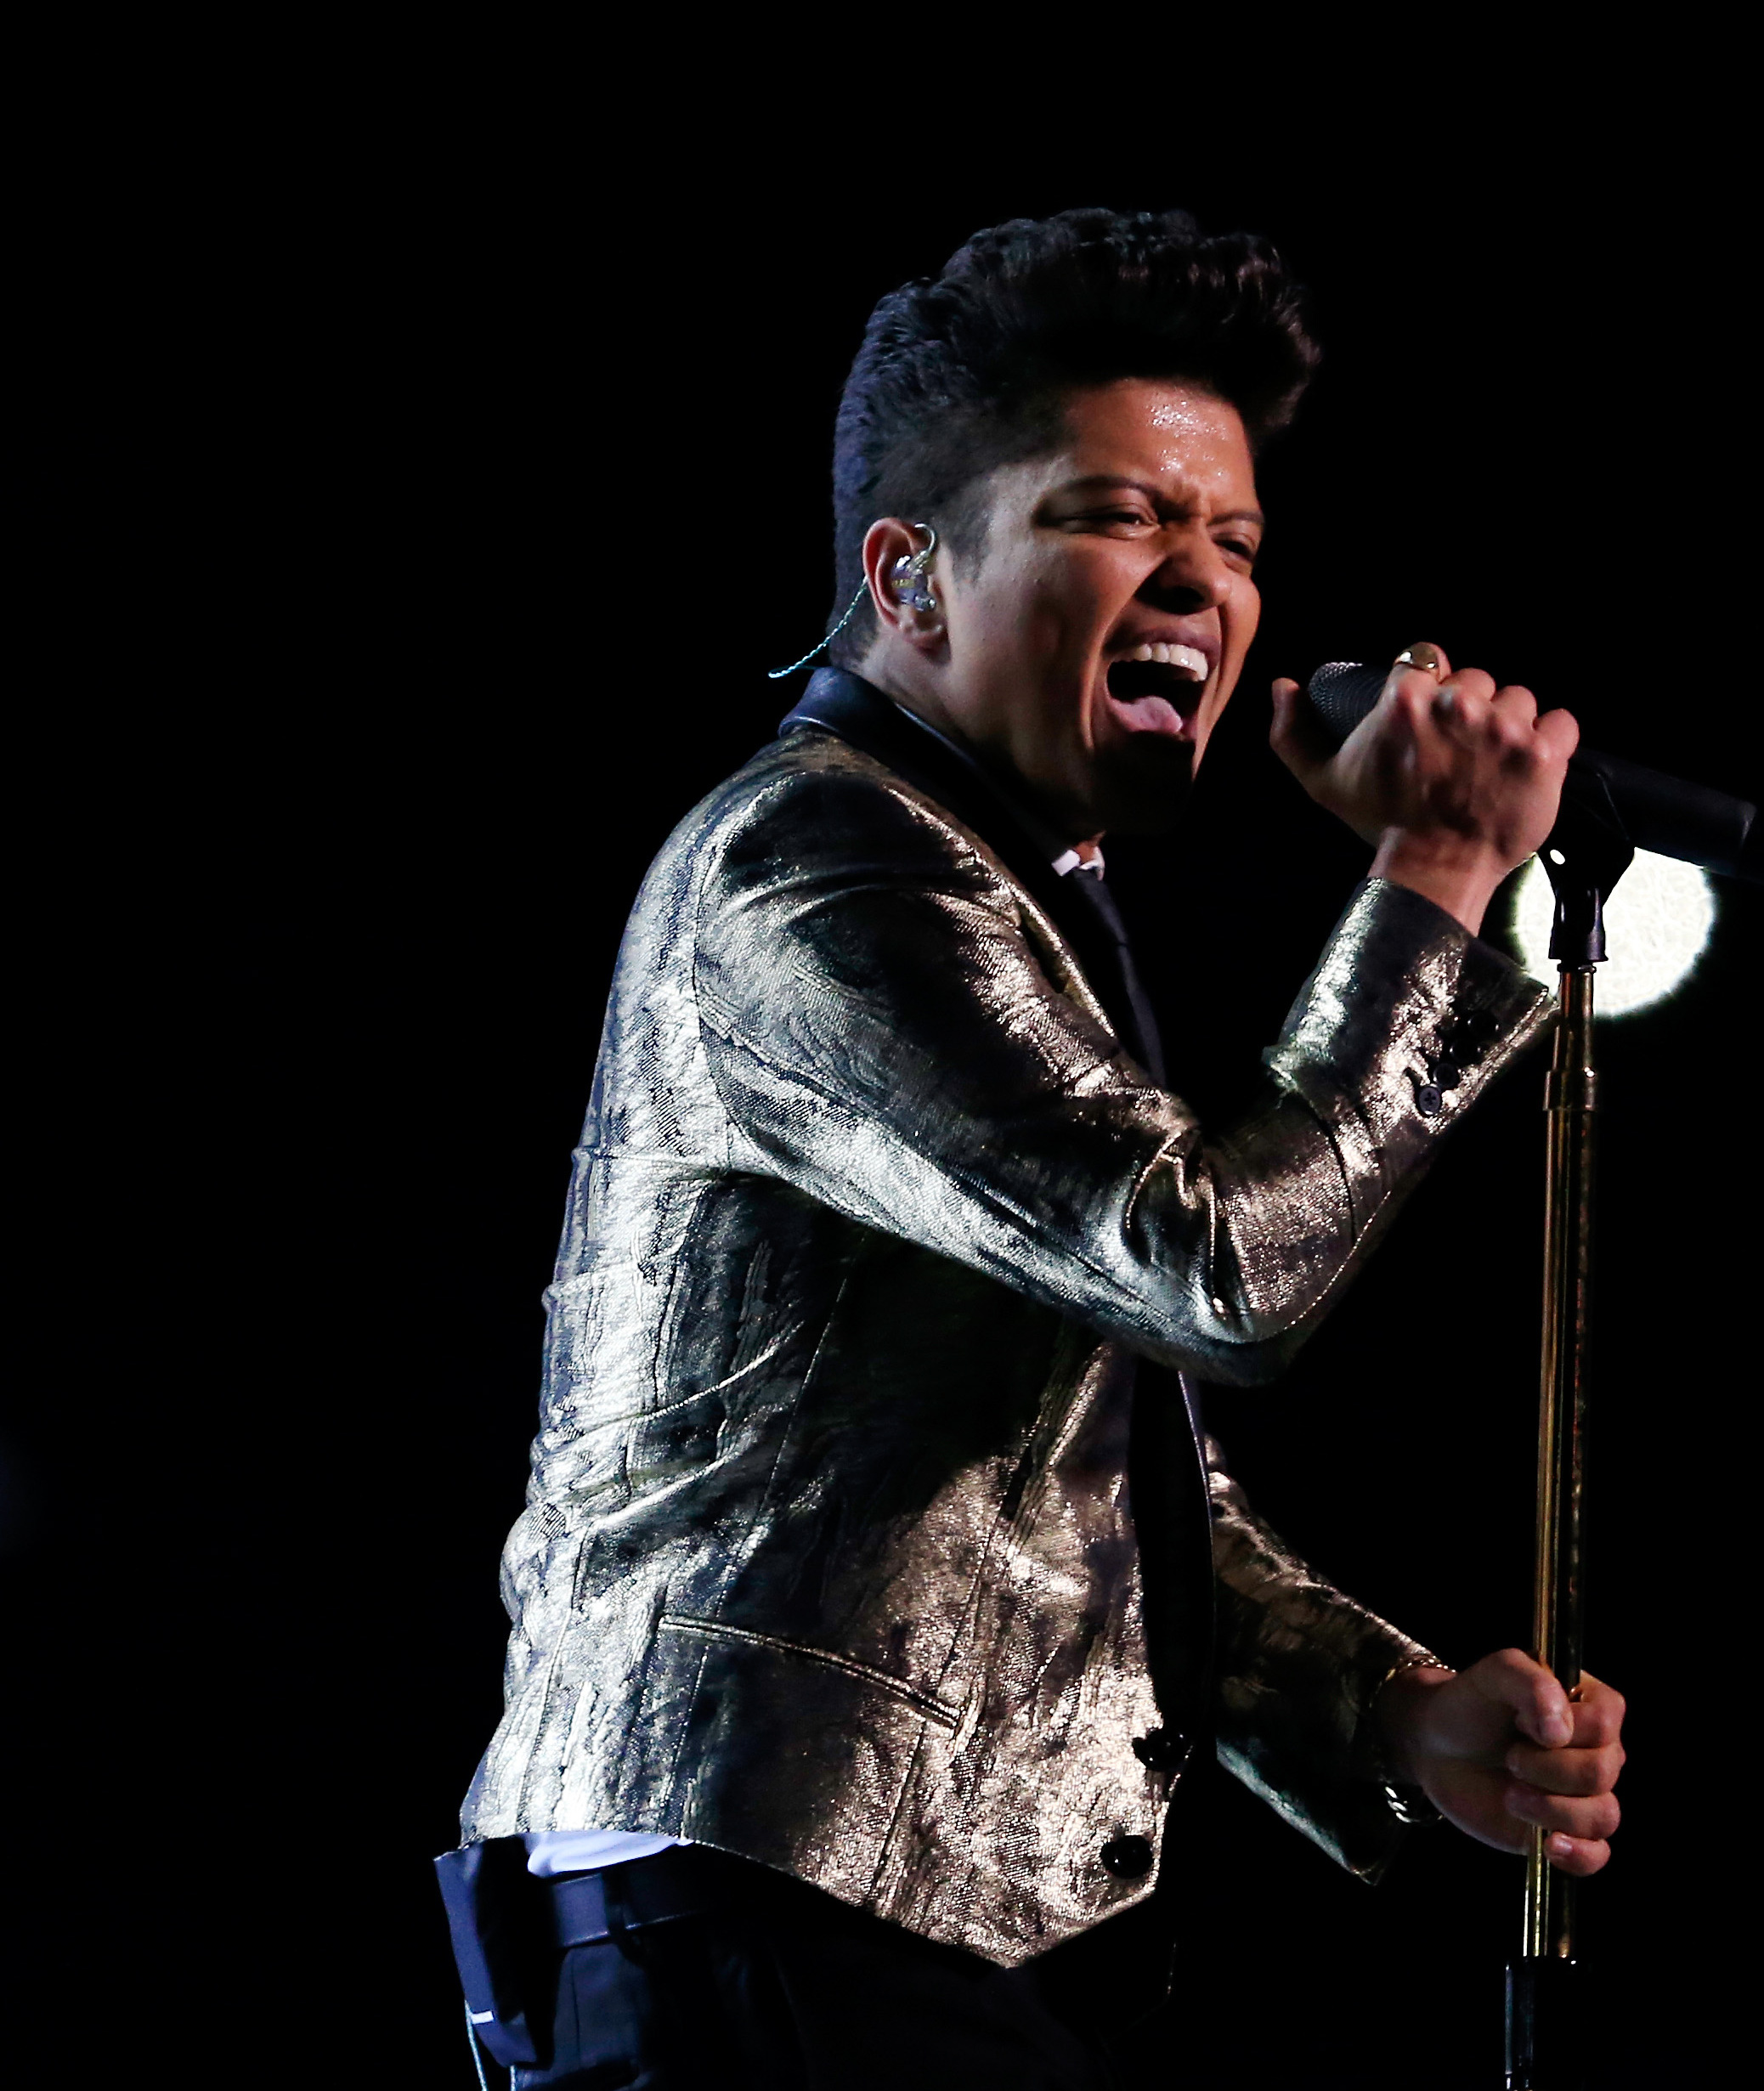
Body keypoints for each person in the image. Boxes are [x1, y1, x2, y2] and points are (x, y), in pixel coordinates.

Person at [443, 208, 1628, 2088]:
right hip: (760, 1910)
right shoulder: (813, 868)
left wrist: (1386, 1711)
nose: (1203, 582)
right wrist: (1437, 876)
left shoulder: (1006, 890)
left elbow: (1082, 1482)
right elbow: (1209, 1269)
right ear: (908, 577)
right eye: (1120, 518)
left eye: (1238, 542)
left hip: (867, 1931)